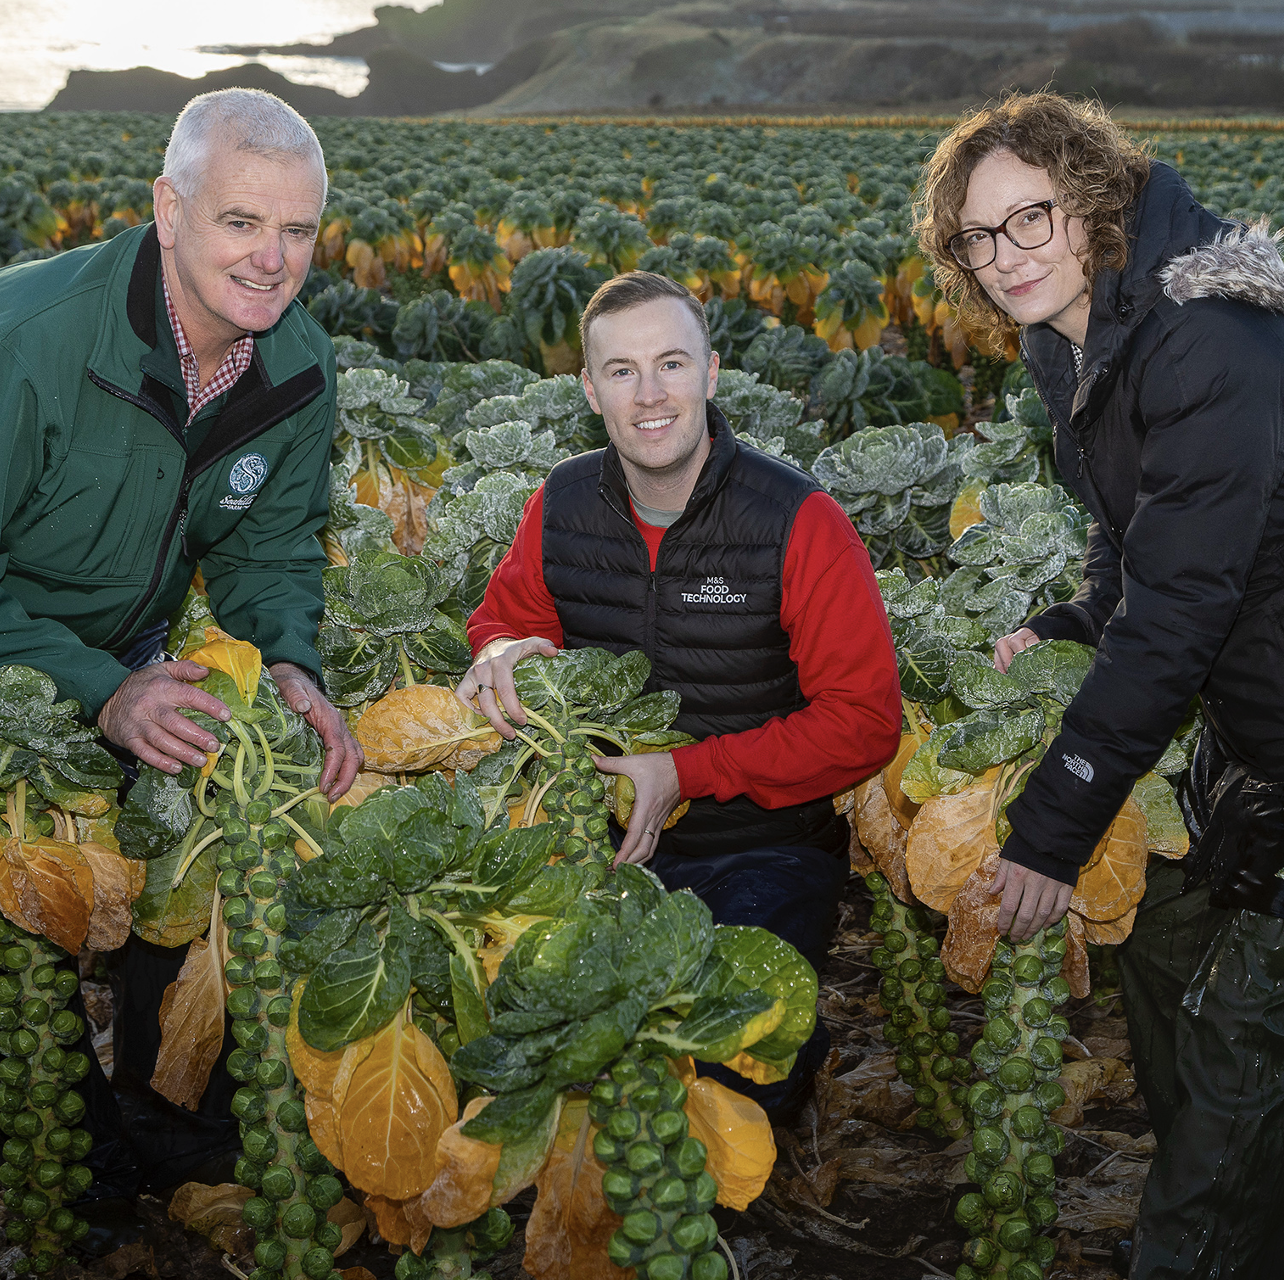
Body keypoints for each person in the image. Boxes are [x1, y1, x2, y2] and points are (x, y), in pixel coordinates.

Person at [917, 93, 1284, 1279]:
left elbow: (1177, 616)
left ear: (1096, 202)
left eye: (1030, 218)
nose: (1004, 256)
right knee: (1171, 991)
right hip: (1244, 732)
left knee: (1218, 1147)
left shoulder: (1206, 338)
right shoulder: (1071, 331)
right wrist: (1074, 619)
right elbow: (1131, 545)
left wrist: (1048, 832)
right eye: (977, 237)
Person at [0, 88, 361, 1205]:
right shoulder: (30, 339)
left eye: (297, 230)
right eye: (240, 222)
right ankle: (62, 1146)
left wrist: (289, 663)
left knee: (213, 788)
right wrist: (102, 691)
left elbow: (270, 548)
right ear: (169, 206)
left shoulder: (294, 365)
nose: (272, 258)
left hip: (122, 639)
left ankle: (169, 1109)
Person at [456, 270, 902, 1121]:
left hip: (762, 852)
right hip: (593, 846)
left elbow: (864, 724)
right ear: (590, 390)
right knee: (530, 1051)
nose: (650, 394)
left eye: (671, 363)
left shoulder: (799, 521)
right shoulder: (557, 504)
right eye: (622, 371)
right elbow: (503, 622)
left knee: (725, 1068)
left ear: (712, 372)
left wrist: (685, 773)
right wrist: (504, 649)